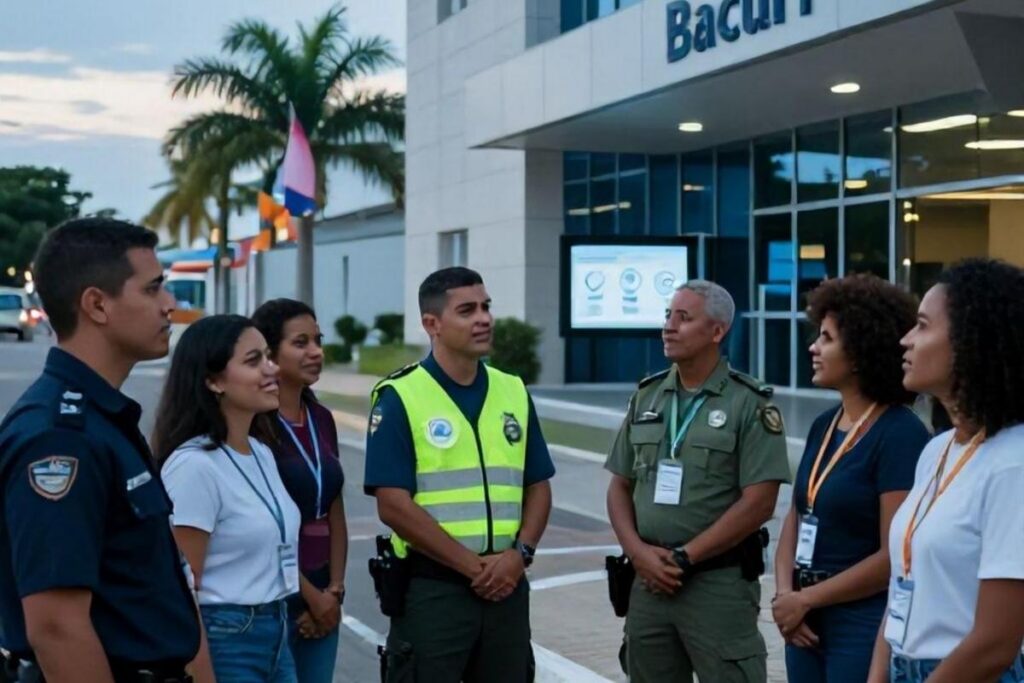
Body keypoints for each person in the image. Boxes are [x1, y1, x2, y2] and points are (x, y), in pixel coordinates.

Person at [0, 218, 202, 682]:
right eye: (153, 290)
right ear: (97, 305)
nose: (170, 305)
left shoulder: (101, 418)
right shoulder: (60, 438)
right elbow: (57, 627)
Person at [364, 266, 555, 683]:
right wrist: (473, 568)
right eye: (467, 310)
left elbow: (538, 486)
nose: (483, 318)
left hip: (507, 589)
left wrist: (519, 556)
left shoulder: (513, 390)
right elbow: (392, 505)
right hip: (434, 594)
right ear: (432, 324)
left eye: (486, 307)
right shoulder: (399, 396)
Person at [606, 279, 791, 683]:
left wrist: (685, 557)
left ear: (717, 331)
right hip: (648, 581)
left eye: (683, 318)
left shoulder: (749, 403)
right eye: (668, 316)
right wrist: (637, 553)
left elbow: (760, 502)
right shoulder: (648, 396)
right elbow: (620, 484)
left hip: (716, 585)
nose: (669, 327)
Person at [867, 259, 1024, 683]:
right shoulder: (937, 449)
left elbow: (997, 642)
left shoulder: (1014, 464)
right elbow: (903, 584)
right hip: (904, 665)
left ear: (972, 342)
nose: (905, 340)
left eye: (921, 325)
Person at [772, 275, 929, 682]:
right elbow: (796, 517)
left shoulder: (899, 434)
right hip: (804, 620)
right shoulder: (824, 425)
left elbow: (893, 553)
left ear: (859, 353)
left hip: (860, 621)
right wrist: (785, 595)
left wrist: (806, 599)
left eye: (826, 338)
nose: (813, 348)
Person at [153, 315, 301, 683]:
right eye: (254, 361)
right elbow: (181, 590)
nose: (272, 369)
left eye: (268, 356)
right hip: (226, 637)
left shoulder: (261, 452)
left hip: (277, 628)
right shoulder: (194, 467)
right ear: (213, 380)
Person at [251, 299, 347, 683]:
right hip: (276, 593)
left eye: (318, 341)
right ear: (270, 354)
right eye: (301, 342)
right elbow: (263, 524)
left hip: (324, 593)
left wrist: (334, 591)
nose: (316, 352)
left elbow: (335, 509)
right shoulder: (256, 422)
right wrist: (311, 596)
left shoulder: (321, 418)